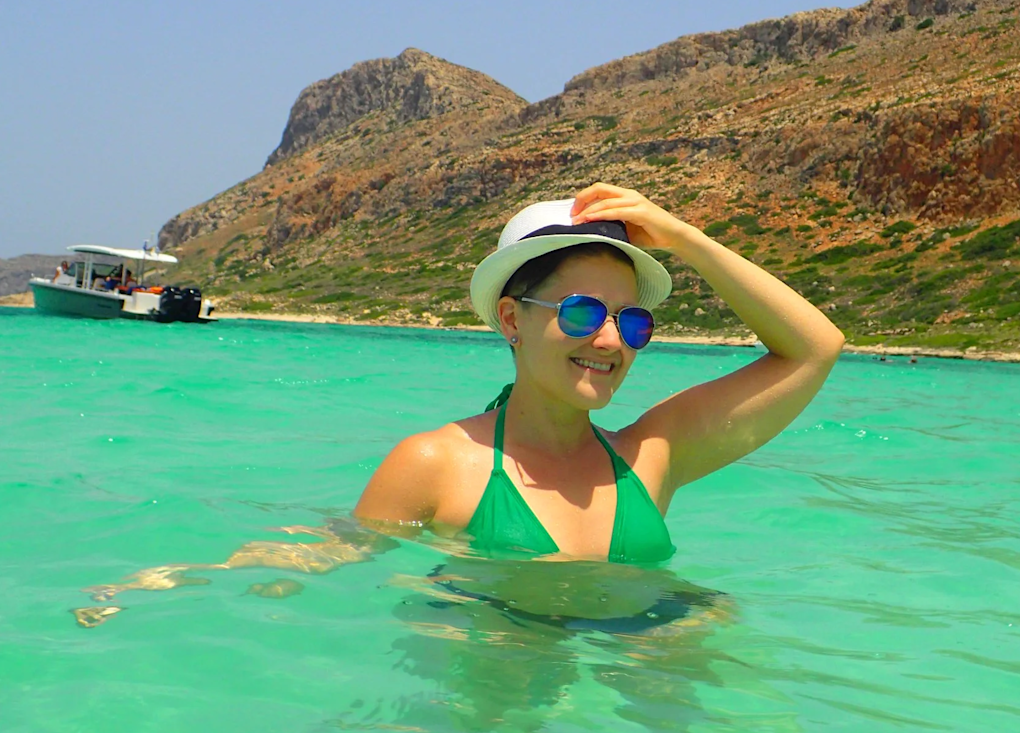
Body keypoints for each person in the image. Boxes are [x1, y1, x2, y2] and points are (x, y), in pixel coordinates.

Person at [355, 182, 844, 565]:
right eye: (582, 313)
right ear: (511, 319)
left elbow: (815, 349)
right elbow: (341, 567)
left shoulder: (651, 459)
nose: (612, 341)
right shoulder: (435, 464)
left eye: (632, 321)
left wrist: (685, 239)